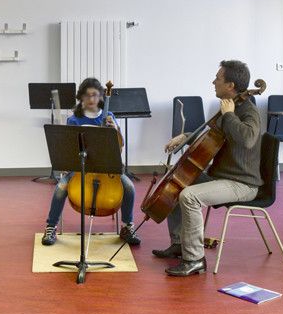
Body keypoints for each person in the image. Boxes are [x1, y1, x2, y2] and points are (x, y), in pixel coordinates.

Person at [152, 59, 261, 276]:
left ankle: (194, 259)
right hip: (220, 177)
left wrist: (229, 115)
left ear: (230, 85)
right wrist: (185, 136)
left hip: (242, 183)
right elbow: (211, 136)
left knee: (189, 196)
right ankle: (179, 243)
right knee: (177, 181)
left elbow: (248, 139)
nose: (213, 82)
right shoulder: (228, 106)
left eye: (218, 78)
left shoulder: (248, 111)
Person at [41, 78, 140, 246]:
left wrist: (115, 129)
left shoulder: (109, 116)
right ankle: (51, 227)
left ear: (101, 96)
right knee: (60, 189)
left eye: (95, 95)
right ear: (81, 97)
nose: (91, 99)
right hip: (81, 167)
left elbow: (120, 145)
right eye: (87, 95)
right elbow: (69, 147)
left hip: (107, 168)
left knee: (129, 188)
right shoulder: (74, 120)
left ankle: (127, 226)